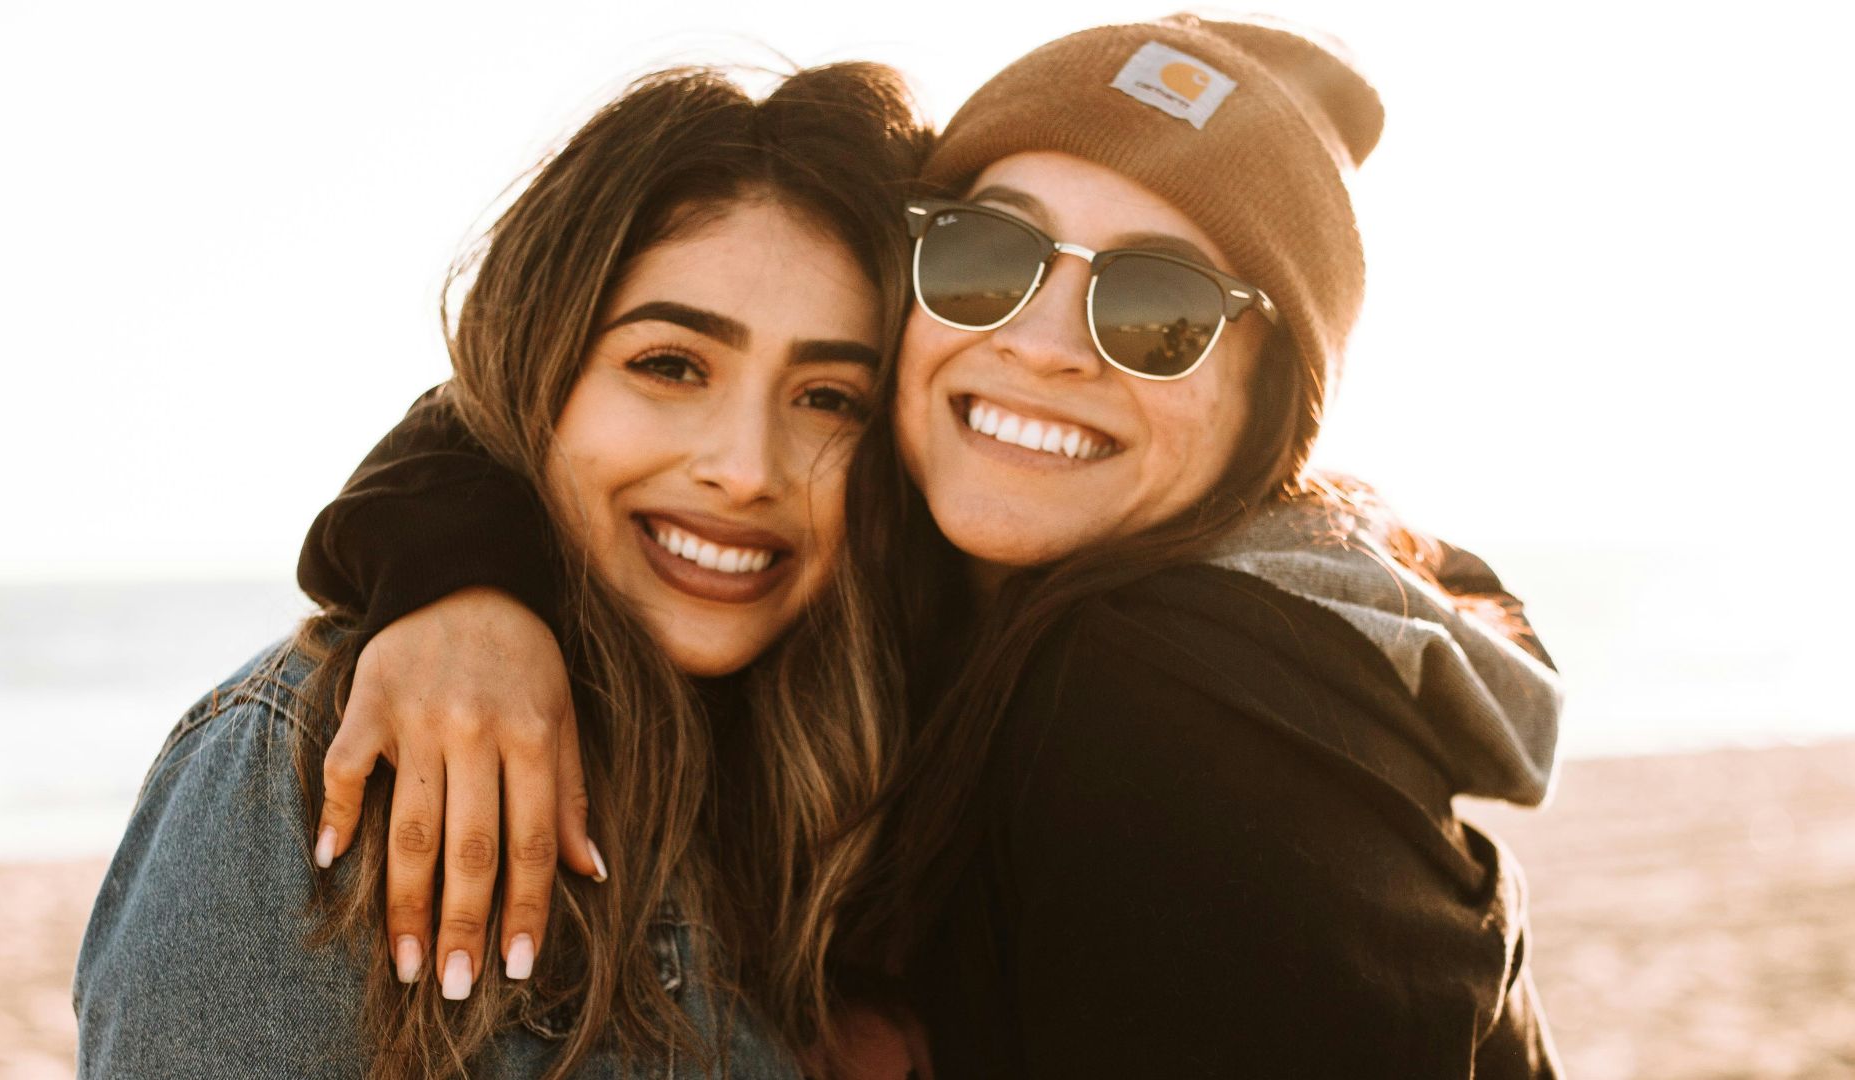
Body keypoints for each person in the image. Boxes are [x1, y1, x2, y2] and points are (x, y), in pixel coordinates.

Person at [295, 15, 1566, 1078]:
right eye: (988, 255)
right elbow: (535, 387)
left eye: (1159, 307)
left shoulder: (1179, 697)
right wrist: (466, 576)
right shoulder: (921, 559)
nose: (1046, 344)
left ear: (1267, 408)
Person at [73, 62, 931, 1079]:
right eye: (670, 366)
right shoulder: (321, 764)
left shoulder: (845, 788)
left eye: (829, 397)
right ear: (537, 374)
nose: (746, 470)